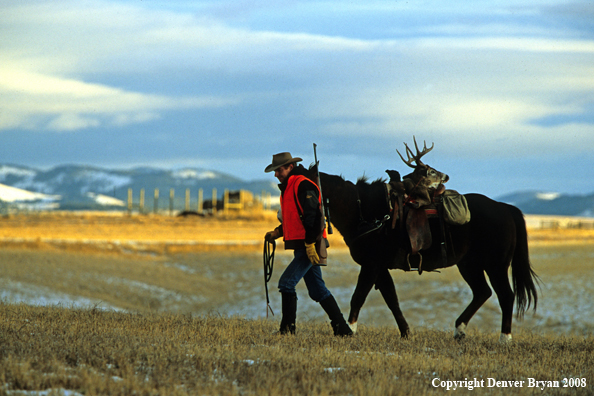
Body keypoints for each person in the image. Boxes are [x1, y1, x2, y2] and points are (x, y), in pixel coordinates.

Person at [264, 152, 353, 336]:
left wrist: (310, 244)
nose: (276, 174)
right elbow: (294, 219)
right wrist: (277, 233)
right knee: (317, 290)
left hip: (308, 246)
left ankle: (287, 331)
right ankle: (342, 329)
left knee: (286, 283)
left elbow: (314, 218)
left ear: (290, 167)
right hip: (303, 246)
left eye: (279, 170)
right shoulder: (290, 187)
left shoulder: (302, 185)